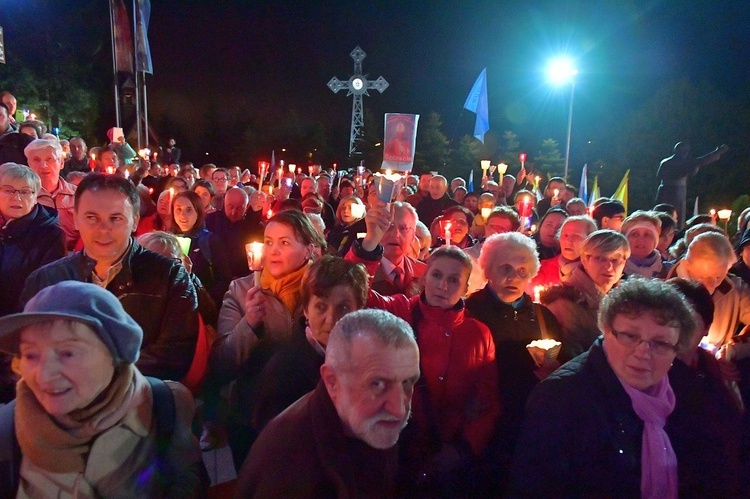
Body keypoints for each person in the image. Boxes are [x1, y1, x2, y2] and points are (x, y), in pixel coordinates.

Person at [509, 278, 741, 497]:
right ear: (606, 331)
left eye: (660, 343)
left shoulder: (684, 388)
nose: (643, 352)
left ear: (676, 348)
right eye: (630, 336)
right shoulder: (562, 399)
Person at [0, 281, 207, 496]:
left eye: (68, 353)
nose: (43, 375)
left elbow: (188, 480)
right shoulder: (7, 429)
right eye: (31, 355)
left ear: (115, 354)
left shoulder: (164, 404)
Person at [348, 205, 499, 493]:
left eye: (453, 279)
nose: (443, 285)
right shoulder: (401, 310)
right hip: (398, 450)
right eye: (436, 275)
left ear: (466, 287)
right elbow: (356, 293)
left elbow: (487, 403)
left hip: (451, 459)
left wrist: (463, 448)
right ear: (424, 278)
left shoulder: (478, 334)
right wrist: (369, 244)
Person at [21, 173, 199, 382]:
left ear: (135, 221)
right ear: (76, 219)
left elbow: (172, 358)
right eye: (92, 217)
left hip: (136, 400)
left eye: (115, 218)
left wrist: (93, 376)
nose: (103, 229)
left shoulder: (170, 277)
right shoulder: (45, 281)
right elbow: (26, 352)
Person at [234, 309, 420, 497]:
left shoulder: (375, 424)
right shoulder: (287, 467)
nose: (399, 410)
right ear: (332, 381)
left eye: (407, 382)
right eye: (377, 384)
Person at [210, 210, 322, 467]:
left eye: (284, 243)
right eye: (269, 242)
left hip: (307, 414)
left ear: (308, 250)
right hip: (251, 415)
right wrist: (248, 325)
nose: (273, 251)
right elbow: (222, 363)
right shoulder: (240, 291)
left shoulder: (321, 291)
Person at [464, 232, 562, 490]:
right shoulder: (469, 312)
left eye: (522, 271)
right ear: (487, 270)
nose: (513, 277)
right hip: (482, 422)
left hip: (528, 422)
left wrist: (556, 370)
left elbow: (564, 365)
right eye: (505, 268)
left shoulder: (542, 316)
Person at [251, 256, 369, 431]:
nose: (331, 320)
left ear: (359, 309)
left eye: (343, 307)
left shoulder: (367, 360)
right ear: (305, 310)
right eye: (321, 307)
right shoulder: (284, 373)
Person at [542, 230, 630, 358]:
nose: (609, 266)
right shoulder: (566, 304)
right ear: (584, 259)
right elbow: (570, 359)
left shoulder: (627, 301)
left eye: (615, 259)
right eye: (600, 258)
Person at [668, 231, 750, 348]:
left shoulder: (736, 288)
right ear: (687, 265)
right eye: (703, 277)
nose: (711, 284)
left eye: (718, 277)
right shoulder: (663, 288)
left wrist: (735, 346)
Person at [171, 191, 232, 305]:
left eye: (189, 210)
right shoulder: (167, 241)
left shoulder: (209, 241)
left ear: (198, 212)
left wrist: (205, 301)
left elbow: (224, 279)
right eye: (178, 209)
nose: (183, 215)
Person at [360, 201, 426, 297]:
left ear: (413, 236)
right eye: (389, 226)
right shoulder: (362, 273)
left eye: (404, 228)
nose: (396, 234)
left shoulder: (424, 272)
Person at [656, 141, 729, 227]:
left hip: (664, 190)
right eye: (685, 151)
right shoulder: (682, 163)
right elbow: (702, 160)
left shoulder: (665, 162)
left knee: (664, 213)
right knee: (676, 215)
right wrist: (718, 152)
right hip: (676, 191)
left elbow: (658, 176)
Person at [23, 138, 78, 250]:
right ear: (28, 164)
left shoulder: (79, 195)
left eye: (49, 159)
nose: (43, 165)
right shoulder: (21, 197)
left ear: (61, 163)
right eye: (36, 160)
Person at [528, 215, 597, 291]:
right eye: (565, 235)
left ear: (591, 241)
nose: (568, 240)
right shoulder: (544, 269)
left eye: (576, 236)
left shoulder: (597, 273)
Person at [205, 187, 263, 278]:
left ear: (247, 206)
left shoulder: (254, 226)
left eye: (239, 208)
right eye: (230, 207)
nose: (233, 212)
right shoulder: (211, 220)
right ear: (224, 203)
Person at [620, 210, 666, 278]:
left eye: (647, 235)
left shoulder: (668, 271)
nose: (640, 239)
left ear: (655, 241)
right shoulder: (613, 270)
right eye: (635, 234)